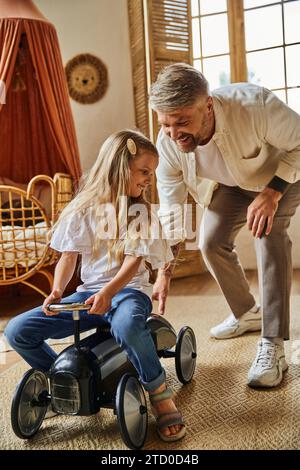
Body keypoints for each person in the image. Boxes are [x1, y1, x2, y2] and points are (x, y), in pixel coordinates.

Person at [4, 129, 185, 442]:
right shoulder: (81, 210)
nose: (148, 179)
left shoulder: (140, 213)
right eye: (144, 171)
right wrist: (58, 292)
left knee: (129, 327)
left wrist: (109, 293)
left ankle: (159, 394)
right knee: (17, 331)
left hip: (127, 295)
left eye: (151, 173)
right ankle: (62, 382)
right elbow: (68, 257)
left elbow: (132, 263)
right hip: (86, 297)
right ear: (119, 166)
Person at [149, 63, 300, 388]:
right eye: (165, 124)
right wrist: (164, 271)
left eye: (182, 122)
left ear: (208, 106)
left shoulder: (253, 105)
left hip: (283, 176)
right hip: (231, 184)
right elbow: (171, 211)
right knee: (210, 242)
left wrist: (272, 193)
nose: (174, 134)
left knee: (267, 231)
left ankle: (274, 344)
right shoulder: (167, 143)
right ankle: (248, 313)